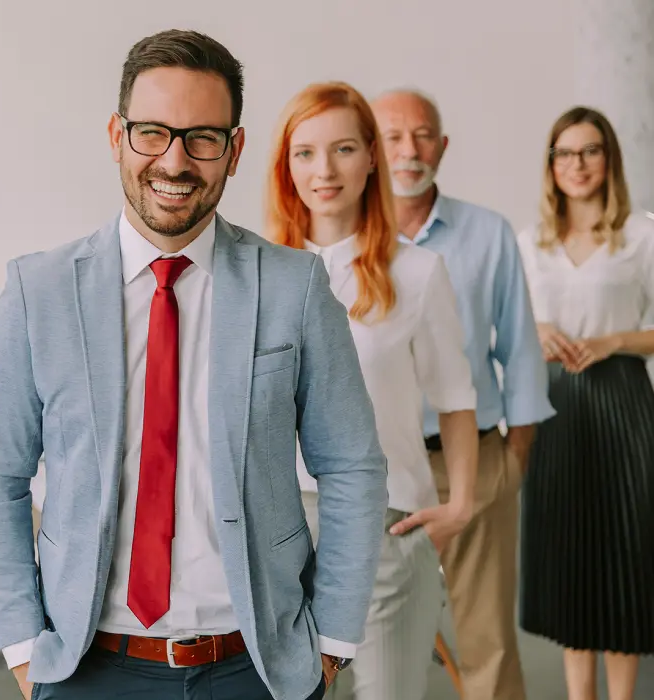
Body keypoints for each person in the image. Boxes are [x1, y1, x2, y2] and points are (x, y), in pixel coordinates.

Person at [0, 30, 388, 700]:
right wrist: (22, 650)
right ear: (116, 135)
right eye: (152, 133)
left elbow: (353, 468)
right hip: (85, 671)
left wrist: (330, 644)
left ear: (236, 150)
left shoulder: (294, 287)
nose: (175, 160)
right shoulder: (38, 291)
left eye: (202, 138)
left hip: (257, 670)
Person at [266, 81, 479, 700]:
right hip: (277, 530)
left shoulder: (417, 273)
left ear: (370, 159)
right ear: (286, 166)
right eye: (304, 152)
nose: (324, 170)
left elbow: (457, 398)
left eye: (343, 149)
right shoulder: (255, 273)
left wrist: (460, 502)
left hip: (387, 527)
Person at [369, 89, 554, 700]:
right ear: (370, 148)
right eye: (392, 136)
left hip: (471, 463)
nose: (408, 150)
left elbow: (521, 350)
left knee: (486, 641)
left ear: (442, 147)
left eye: (422, 135)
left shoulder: (487, 234)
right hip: (375, 470)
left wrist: (514, 460)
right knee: (365, 640)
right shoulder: (341, 241)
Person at [516, 106, 654, 700]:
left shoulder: (643, 234)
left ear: (609, 159)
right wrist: (537, 330)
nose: (577, 164)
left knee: (626, 548)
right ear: (551, 165)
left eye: (590, 151)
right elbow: (506, 330)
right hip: (555, 409)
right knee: (570, 550)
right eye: (564, 153)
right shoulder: (531, 242)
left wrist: (614, 341)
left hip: (624, 402)